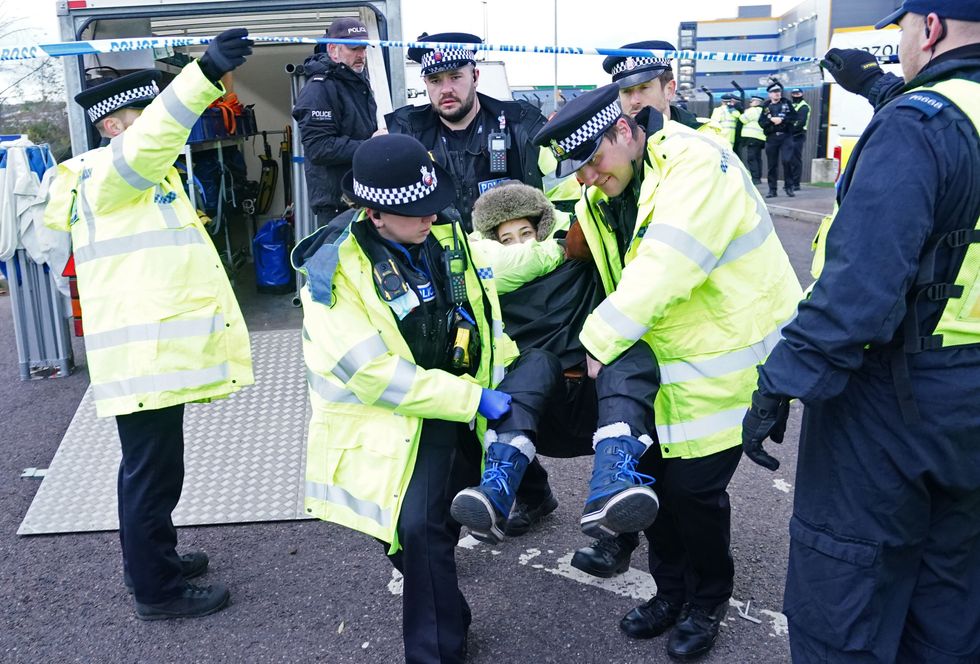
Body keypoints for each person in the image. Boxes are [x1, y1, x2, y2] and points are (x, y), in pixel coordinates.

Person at [742, 2, 980, 661]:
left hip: (892, 406)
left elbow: (859, 294)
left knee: (845, 601)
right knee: (951, 600)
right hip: (968, 410)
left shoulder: (917, 126)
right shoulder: (944, 118)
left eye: (903, 31)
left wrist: (780, 383)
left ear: (929, 27)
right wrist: (874, 85)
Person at [533, 84, 803, 660]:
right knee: (651, 484)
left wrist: (599, 342)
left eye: (591, 162)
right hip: (657, 365)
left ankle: (708, 601)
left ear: (625, 132)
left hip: (721, 365)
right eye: (576, 170)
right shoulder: (603, 193)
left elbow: (664, 268)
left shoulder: (696, 165)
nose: (584, 178)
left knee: (696, 495)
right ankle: (669, 591)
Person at [294, 133, 566, 662]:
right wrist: (472, 399)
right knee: (415, 532)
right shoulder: (333, 275)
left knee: (435, 519)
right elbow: (372, 374)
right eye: (416, 212)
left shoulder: (440, 233)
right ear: (374, 213)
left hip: (455, 400)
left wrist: (556, 248)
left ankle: (523, 490)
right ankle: (441, 643)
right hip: (395, 420)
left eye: (433, 205)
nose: (430, 218)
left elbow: (487, 287)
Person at [42, 30, 256, 619]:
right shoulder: (111, 173)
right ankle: (157, 590)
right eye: (141, 114)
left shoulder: (135, 175)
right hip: (142, 360)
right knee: (149, 475)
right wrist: (202, 73)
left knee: (157, 470)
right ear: (113, 126)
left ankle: (156, 558)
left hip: (151, 356)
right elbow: (158, 134)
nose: (158, 126)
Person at [386, 32, 548, 233]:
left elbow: (555, 198)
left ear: (475, 76)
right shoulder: (406, 134)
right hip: (438, 258)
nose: (446, 89)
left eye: (455, 77)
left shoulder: (521, 125)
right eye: (435, 80)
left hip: (509, 256)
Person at [292, 17, 384, 225]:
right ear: (333, 50)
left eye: (363, 48)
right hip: (337, 206)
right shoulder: (319, 90)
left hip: (361, 197)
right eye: (354, 49)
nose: (361, 55)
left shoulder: (356, 83)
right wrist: (371, 146)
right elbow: (319, 148)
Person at [602, 41, 705, 130]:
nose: (634, 101)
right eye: (626, 91)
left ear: (669, 90)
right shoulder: (610, 148)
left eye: (644, 88)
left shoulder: (702, 141)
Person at [760, 82, 797, 198]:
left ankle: (789, 187)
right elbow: (761, 122)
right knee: (772, 165)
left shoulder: (787, 103)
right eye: (774, 92)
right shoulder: (766, 106)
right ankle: (772, 189)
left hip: (786, 136)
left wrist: (782, 120)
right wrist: (771, 121)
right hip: (772, 137)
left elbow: (794, 117)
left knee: (787, 161)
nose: (777, 94)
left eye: (778, 92)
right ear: (770, 94)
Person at [738, 95, 766, 184]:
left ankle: (755, 178)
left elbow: (743, 119)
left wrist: (744, 112)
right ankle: (758, 177)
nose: (750, 103)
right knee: (758, 158)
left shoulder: (752, 110)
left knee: (752, 158)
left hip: (752, 137)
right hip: (761, 138)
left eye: (751, 101)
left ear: (756, 102)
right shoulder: (764, 111)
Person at [787, 87, 810, 193]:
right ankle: (790, 183)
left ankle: (796, 184)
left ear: (802, 94)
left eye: (798, 93)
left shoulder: (804, 106)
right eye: (794, 94)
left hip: (798, 134)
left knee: (795, 159)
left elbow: (801, 122)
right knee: (788, 159)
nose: (796, 95)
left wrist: (789, 129)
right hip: (790, 135)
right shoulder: (792, 105)